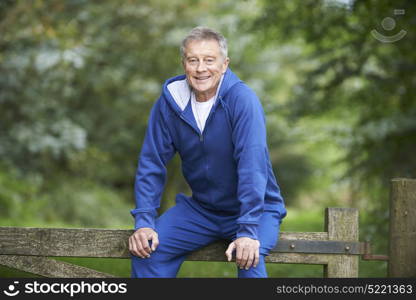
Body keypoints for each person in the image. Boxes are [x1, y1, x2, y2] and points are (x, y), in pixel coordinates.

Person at [129, 26, 286, 278]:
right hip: (201, 210)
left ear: (224, 64)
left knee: (248, 258)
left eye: (209, 60)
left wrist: (247, 230)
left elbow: (251, 166)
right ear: (184, 64)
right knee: (147, 252)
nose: (201, 68)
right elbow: (151, 162)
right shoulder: (170, 103)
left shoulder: (242, 100)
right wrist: (144, 221)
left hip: (257, 211)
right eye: (193, 60)